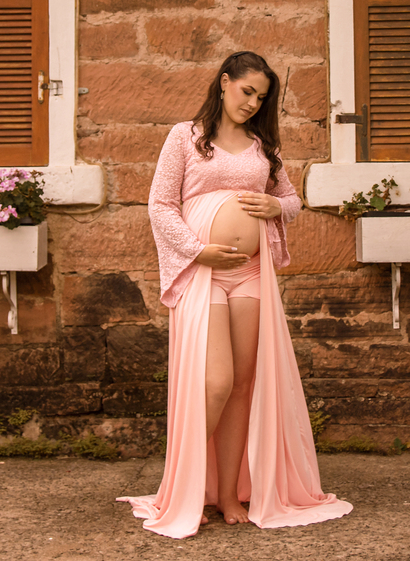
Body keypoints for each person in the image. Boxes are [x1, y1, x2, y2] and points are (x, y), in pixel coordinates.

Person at [118, 51, 353, 539]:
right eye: (247, 91)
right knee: (217, 383)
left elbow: (292, 200)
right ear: (224, 82)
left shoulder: (262, 147)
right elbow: (160, 205)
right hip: (202, 271)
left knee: (244, 385)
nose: (252, 103)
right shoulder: (185, 137)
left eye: (261, 97)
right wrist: (197, 251)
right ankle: (182, 488)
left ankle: (227, 493)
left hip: (249, 273)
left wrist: (275, 206)